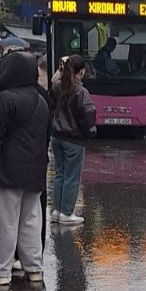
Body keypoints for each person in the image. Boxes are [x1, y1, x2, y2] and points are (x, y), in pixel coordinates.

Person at [0, 51, 50, 287]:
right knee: (31, 220)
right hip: (35, 172)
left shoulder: (5, 99)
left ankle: (1, 271)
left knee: (6, 222)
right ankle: (34, 268)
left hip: (7, 171)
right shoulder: (42, 100)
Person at [50, 54, 97, 224]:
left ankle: (56, 210)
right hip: (74, 139)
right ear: (81, 71)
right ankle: (67, 212)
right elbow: (88, 114)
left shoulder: (57, 87)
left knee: (60, 175)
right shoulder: (81, 92)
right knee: (72, 177)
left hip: (57, 136)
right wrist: (90, 130)